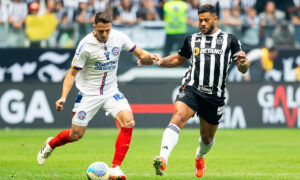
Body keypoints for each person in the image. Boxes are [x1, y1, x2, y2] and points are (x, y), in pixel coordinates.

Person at [37, 11, 158, 180]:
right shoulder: (85, 46)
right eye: (101, 31)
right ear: (94, 27)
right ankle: (51, 144)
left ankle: (115, 168)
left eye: (108, 30)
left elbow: (138, 52)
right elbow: (71, 74)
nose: (105, 34)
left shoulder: (119, 37)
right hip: (88, 94)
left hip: (111, 92)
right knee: (76, 135)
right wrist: (63, 96)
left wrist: (149, 56)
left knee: (129, 121)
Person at [138, 4, 250, 178]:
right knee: (178, 117)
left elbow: (243, 68)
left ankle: (200, 156)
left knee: (207, 139)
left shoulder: (230, 40)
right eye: (200, 20)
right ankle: (163, 159)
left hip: (215, 96)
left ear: (215, 19)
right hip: (192, 88)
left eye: (206, 20)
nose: (203, 23)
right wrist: (156, 61)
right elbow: (179, 58)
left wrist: (243, 63)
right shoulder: (192, 40)